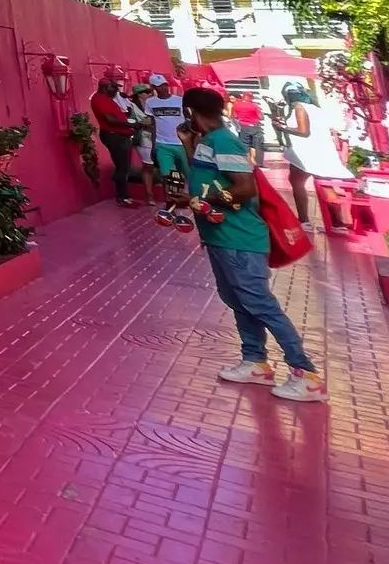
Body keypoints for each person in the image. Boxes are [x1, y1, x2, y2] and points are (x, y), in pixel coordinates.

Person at [174, 86, 326, 402]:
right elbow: (203, 177)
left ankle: (305, 373)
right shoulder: (208, 142)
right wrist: (189, 146)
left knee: (260, 304)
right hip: (221, 239)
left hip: (239, 240)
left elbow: (243, 190)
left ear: (190, 113)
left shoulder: (225, 141)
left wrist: (199, 200)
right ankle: (256, 361)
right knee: (239, 301)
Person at [278, 83, 353, 231]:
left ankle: (304, 220)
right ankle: (336, 222)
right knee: (325, 185)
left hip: (305, 153)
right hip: (322, 152)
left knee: (297, 184)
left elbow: (303, 131)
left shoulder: (299, 108)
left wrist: (282, 128)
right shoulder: (317, 109)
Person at [142, 74, 192, 229]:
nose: (163, 88)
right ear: (154, 88)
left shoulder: (179, 100)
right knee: (169, 176)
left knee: (190, 174)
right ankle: (171, 205)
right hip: (162, 144)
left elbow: (189, 120)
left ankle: (197, 200)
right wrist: (153, 145)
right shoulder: (150, 103)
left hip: (181, 144)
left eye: (164, 84)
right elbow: (153, 124)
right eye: (159, 86)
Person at [89, 75, 139, 205]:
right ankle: (122, 197)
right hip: (115, 135)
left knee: (124, 167)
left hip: (120, 135)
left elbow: (115, 116)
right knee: (122, 167)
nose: (116, 91)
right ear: (105, 87)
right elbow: (110, 120)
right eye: (114, 88)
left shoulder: (107, 99)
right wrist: (132, 125)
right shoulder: (99, 99)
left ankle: (124, 196)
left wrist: (126, 116)